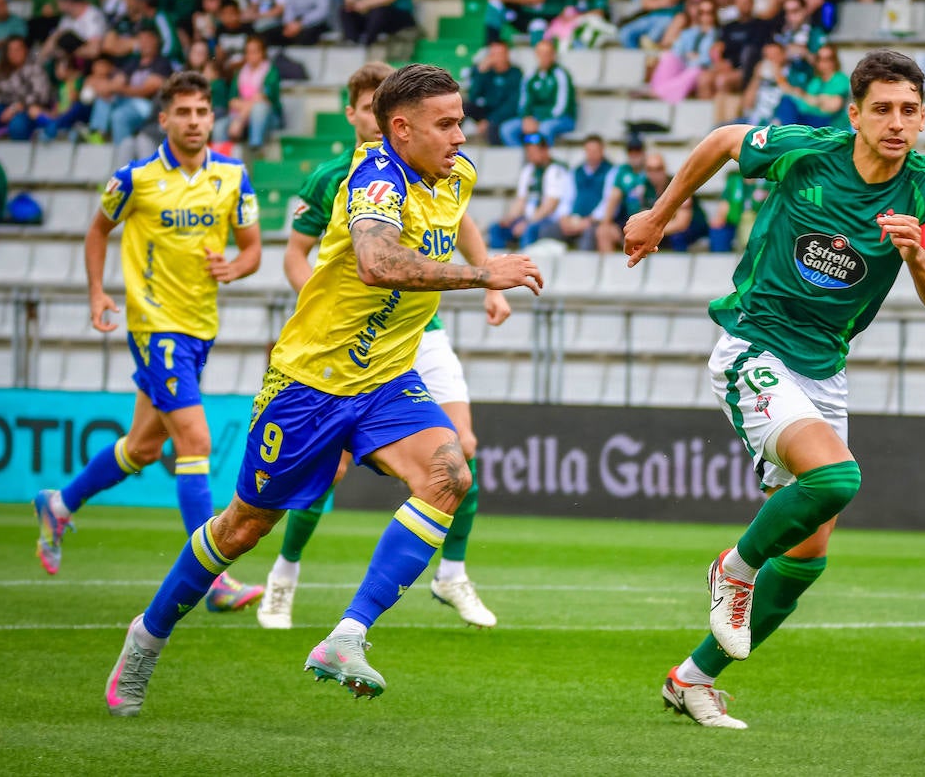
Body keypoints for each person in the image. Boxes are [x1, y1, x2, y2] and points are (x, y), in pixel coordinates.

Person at [101, 65, 543, 716]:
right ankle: (146, 637)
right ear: (402, 128)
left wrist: (488, 278)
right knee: (243, 528)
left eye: (460, 120)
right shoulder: (374, 180)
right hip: (311, 385)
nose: (460, 134)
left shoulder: (458, 173)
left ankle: (346, 636)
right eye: (446, 123)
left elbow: (455, 221)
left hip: (388, 378)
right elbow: (376, 261)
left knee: (450, 474)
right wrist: (484, 274)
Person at [624, 49, 925, 729]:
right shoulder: (808, 152)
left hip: (824, 367)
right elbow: (724, 142)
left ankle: (690, 679)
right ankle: (736, 567)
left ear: (923, 118)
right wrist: (661, 215)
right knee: (837, 480)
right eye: (882, 109)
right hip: (754, 342)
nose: (896, 123)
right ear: (855, 114)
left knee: (809, 552)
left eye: (908, 110)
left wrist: (915, 254)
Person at [261, 61, 504, 631]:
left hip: (423, 329)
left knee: (461, 449)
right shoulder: (334, 177)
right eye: (370, 108)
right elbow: (297, 256)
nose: (379, 121)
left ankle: (452, 575)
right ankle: (285, 575)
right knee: (332, 468)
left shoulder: (445, 166)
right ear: (360, 115)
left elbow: (459, 217)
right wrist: (326, 308)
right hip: (352, 337)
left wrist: (487, 273)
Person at [32, 72, 265, 620]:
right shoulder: (133, 180)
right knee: (195, 441)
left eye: (201, 112)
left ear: (213, 118)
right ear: (163, 119)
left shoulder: (233, 176)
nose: (192, 121)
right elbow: (96, 231)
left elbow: (253, 248)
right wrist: (96, 292)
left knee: (141, 448)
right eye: (182, 112)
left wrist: (234, 267)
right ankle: (213, 577)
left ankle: (58, 503)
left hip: (200, 327)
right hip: (154, 327)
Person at [87, 28, 176, 162]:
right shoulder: (133, 63)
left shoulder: (162, 63)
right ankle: (97, 132)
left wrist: (120, 88)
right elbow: (113, 84)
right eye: (142, 41)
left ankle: (124, 162)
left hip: (150, 106)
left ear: (156, 42)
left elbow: (145, 91)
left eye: (148, 40)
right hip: (129, 102)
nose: (144, 44)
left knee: (119, 115)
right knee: (104, 100)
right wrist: (111, 87)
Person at [488, 131, 572, 247]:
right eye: (528, 151)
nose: (530, 154)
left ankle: (525, 264)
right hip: (530, 218)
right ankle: (497, 263)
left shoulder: (556, 170)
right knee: (496, 228)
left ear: (545, 150)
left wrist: (527, 222)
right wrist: (509, 218)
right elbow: (521, 200)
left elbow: (551, 205)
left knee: (529, 230)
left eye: (534, 151)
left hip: (550, 221)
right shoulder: (528, 170)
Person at [498, 40, 576, 146]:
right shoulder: (530, 76)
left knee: (545, 129)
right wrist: (526, 117)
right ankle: (525, 159)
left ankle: (544, 159)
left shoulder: (561, 75)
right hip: (535, 118)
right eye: (541, 54)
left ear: (553, 55)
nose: (544, 57)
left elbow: (561, 106)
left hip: (561, 118)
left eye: (547, 54)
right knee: (507, 129)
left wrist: (539, 120)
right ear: (536, 55)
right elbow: (524, 102)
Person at [215, 34, 282, 149]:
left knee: (259, 108)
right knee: (219, 127)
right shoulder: (239, 72)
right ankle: (219, 161)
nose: (251, 55)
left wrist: (240, 119)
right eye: (248, 52)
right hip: (240, 114)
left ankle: (255, 148)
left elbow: (262, 98)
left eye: (255, 51)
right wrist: (242, 113)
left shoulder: (271, 72)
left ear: (263, 53)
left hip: (268, 117)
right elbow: (232, 100)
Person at [0, 34, 54, 140]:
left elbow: (40, 96)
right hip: (4, 107)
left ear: (25, 50)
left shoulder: (35, 68)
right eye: (11, 50)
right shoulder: (1, 69)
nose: (14, 53)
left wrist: (14, 108)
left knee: (18, 125)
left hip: (29, 109)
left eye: (18, 49)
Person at [773, 41, 848, 128]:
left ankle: (786, 134)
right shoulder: (816, 81)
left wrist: (809, 98)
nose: (823, 63)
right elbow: (805, 105)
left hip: (828, 122)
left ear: (835, 60)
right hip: (809, 118)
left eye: (828, 59)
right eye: (819, 59)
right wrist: (821, 100)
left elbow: (833, 106)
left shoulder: (840, 79)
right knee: (786, 101)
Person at [557, 134, 615, 246]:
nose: (592, 154)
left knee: (588, 235)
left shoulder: (611, 171)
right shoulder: (575, 172)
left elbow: (608, 202)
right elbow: (567, 198)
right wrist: (564, 219)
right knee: (547, 230)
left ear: (602, 151)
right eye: (589, 150)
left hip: (594, 221)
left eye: (595, 151)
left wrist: (589, 220)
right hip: (573, 219)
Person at [464, 40, 522, 145]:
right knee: (464, 106)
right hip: (486, 111)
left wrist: (489, 121)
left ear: (507, 55)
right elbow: (473, 96)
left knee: (493, 127)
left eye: (500, 54)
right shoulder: (486, 72)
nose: (496, 58)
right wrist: (480, 73)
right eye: (493, 54)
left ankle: (495, 154)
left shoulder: (515, 73)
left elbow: (512, 104)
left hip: (504, 114)